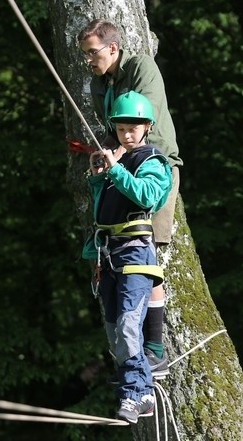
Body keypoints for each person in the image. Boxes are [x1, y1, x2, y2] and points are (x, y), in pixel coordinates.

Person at [78, 19, 182, 377]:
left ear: (112, 48)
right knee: (118, 251)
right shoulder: (98, 83)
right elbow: (113, 131)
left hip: (152, 164)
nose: (89, 61)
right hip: (121, 169)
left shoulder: (140, 67)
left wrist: (121, 158)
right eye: (85, 55)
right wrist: (105, 158)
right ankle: (133, 346)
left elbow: (142, 118)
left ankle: (154, 348)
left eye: (93, 53)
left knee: (146, 252)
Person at [82, 91, 173, 423]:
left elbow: (148, 196)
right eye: (122, 129)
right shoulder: (116, 162)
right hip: (108, 255)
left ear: (147, 127)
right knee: (112, 329)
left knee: (126, 326)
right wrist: (98, 180)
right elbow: (103, 210)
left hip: (135, 253)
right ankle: (141, 390)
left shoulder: (153, 161)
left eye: (134, 128)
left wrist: (116, 170)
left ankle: (135, 393)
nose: (128, 134)